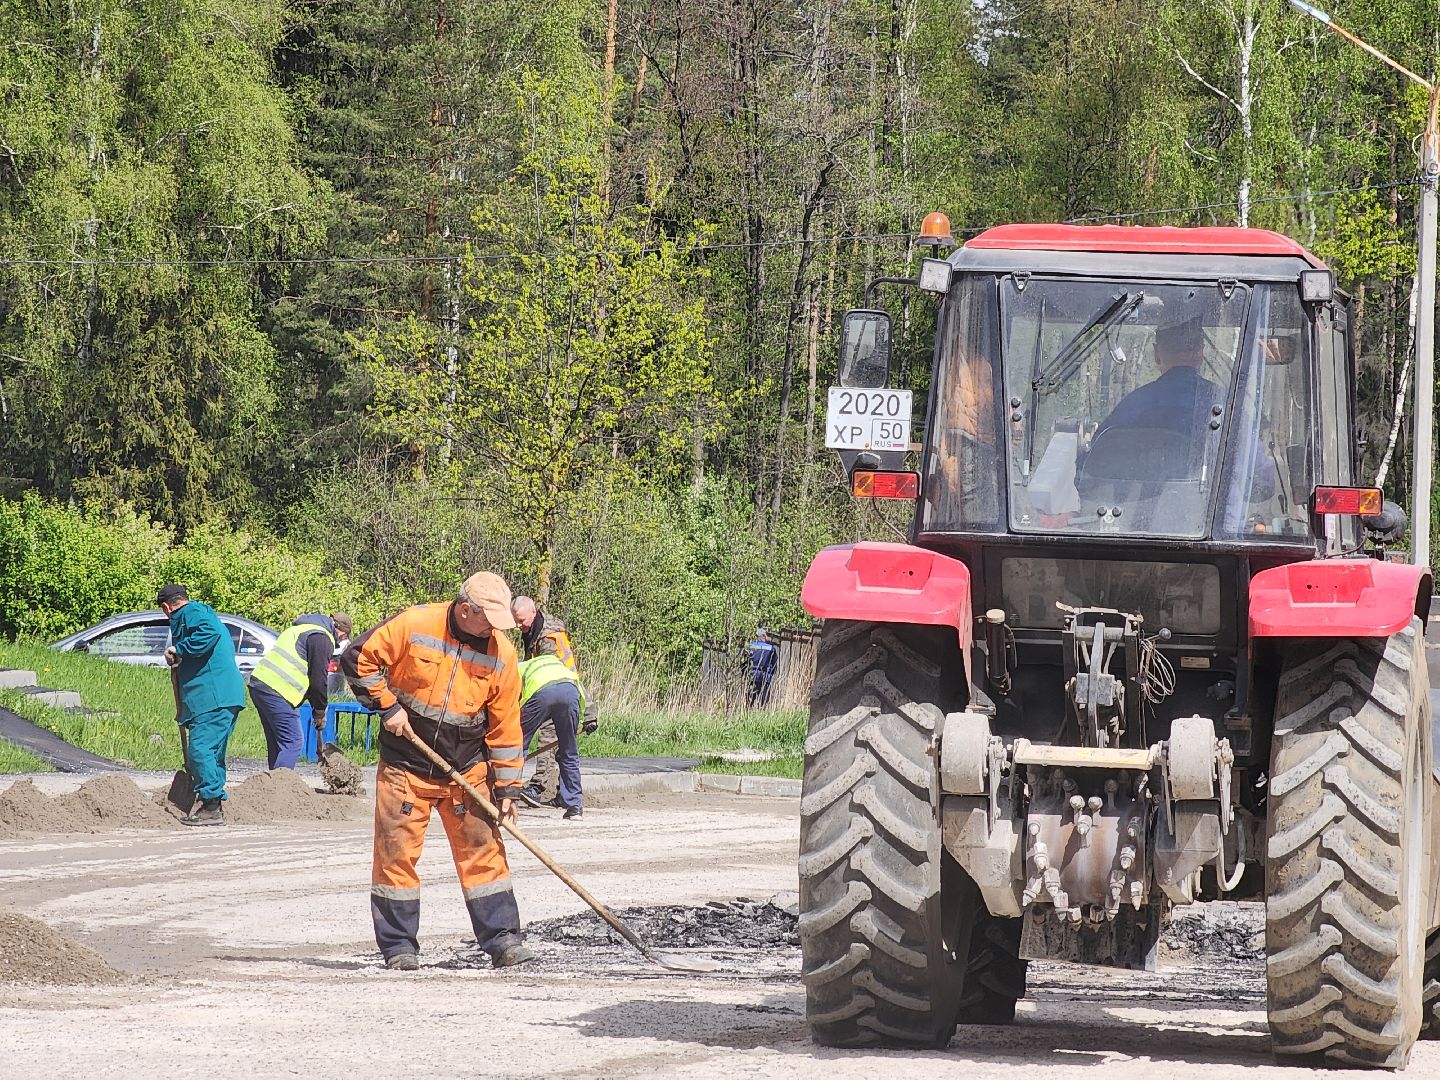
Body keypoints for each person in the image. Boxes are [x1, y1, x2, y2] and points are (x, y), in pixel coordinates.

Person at [341, 572, 533, 971]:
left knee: (485, 856)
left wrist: (509, 788)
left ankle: (503, 941)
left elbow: (505, 726)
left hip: (467, 770)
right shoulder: (415, 624)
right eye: (490, 621)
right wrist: (388, 706)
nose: (496, 631)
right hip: (405, 765)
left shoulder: (503, 655)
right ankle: (398, 948)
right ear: (466, 609)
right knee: (396, 856)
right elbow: (358, 659)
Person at [158, 584, 246, 827]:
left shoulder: (191, 613)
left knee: (200, 750)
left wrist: (179, 648)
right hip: (220, 697)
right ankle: (212, 800)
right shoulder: (199, 612)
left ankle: (211, 806)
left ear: (167, 608)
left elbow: (209, 633)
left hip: (214, 697)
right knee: (212, 753)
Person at [1092, 315, 1223, 453]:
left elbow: (1092, 462)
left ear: (1156, 353)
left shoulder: (1132, 406)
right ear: (1200, 353)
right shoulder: (1224, 403)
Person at [248, 612, 352, 770]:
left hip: (260, 683)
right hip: (278, 690)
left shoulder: (300, 628)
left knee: (278, 743)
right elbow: (318, 680)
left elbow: (309, 677)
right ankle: (280, 788)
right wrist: (320, 710)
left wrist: (316, 709)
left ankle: (271, 787)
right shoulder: (322, 638)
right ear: (342, 633)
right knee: (293, 741)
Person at [511, 595, 577, 806]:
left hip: (558, 691)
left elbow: (554, 670)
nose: (518, 625)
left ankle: (537, 788)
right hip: (553, 690)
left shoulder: (549, 636)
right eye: (515, 621)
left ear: (533, 612)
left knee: (550, 738)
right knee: (563, 747)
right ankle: (567, 798)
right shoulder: (533, 631)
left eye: (521, 620)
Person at [517, 654, 592, 820]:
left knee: (516, 747)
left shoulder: (518, 668)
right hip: (569, 693)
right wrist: (590, 717)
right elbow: (582, 689)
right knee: (568, 751)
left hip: (541, 694)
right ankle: (574, 807)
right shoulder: (562, 667)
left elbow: (509, 703)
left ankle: (508, 797)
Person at [746, 628, 779, 707]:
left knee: (751, 697)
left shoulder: (750, 646)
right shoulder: (771, 648)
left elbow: (746, 661)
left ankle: (748, 711)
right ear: (764, 636)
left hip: (752, 675)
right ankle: (763, 712)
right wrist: (772, 673)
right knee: (764, 698)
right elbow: (774, 663)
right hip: (765, 676)